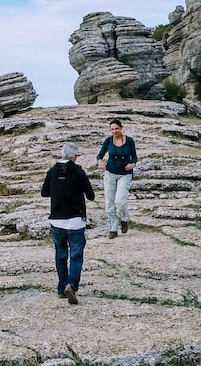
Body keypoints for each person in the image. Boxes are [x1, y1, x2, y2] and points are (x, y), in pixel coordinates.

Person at [41, 141, 95, 305]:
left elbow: (44, 193)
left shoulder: (52, 171)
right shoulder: (78, 172)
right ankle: (71, 284)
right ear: (75, 157)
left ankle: (61, 288)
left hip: (57, 220)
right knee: (76, 255)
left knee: (60, 254)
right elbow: (90, 195)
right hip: (75, 221)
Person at [96, 118, 137, 239]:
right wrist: (100, 162)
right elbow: (100, 155)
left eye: (116, 129)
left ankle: (124, 219)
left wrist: (132, 164)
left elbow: (134, 157)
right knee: (109, 203)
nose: (114, 131)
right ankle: (113, 228)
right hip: (110, 173)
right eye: (112, 129)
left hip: (125, 173)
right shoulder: (108, 141)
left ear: (121, 128)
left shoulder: (129, 141)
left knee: (120, 201)